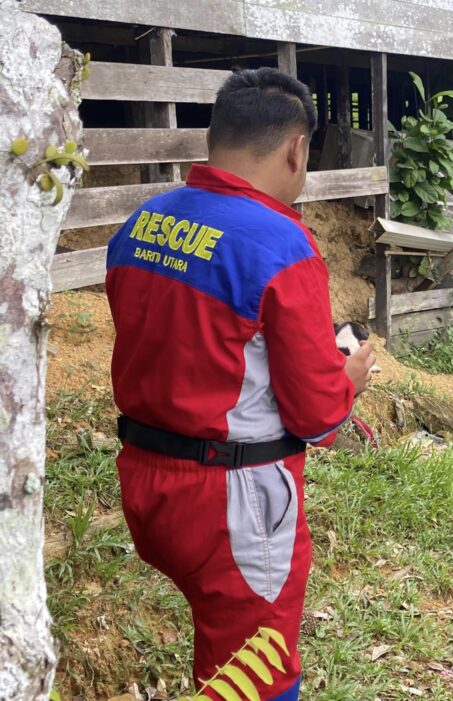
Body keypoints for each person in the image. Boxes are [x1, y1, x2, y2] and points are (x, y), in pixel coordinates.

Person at [105, 68, 375, 701]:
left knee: (220, 662)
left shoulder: (143, 223)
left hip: (145, 482)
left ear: (214, 138)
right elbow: (314, 417)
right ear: (296, 150)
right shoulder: (282, 245)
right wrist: (349, 378)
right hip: (232, 503)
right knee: (254, 672)